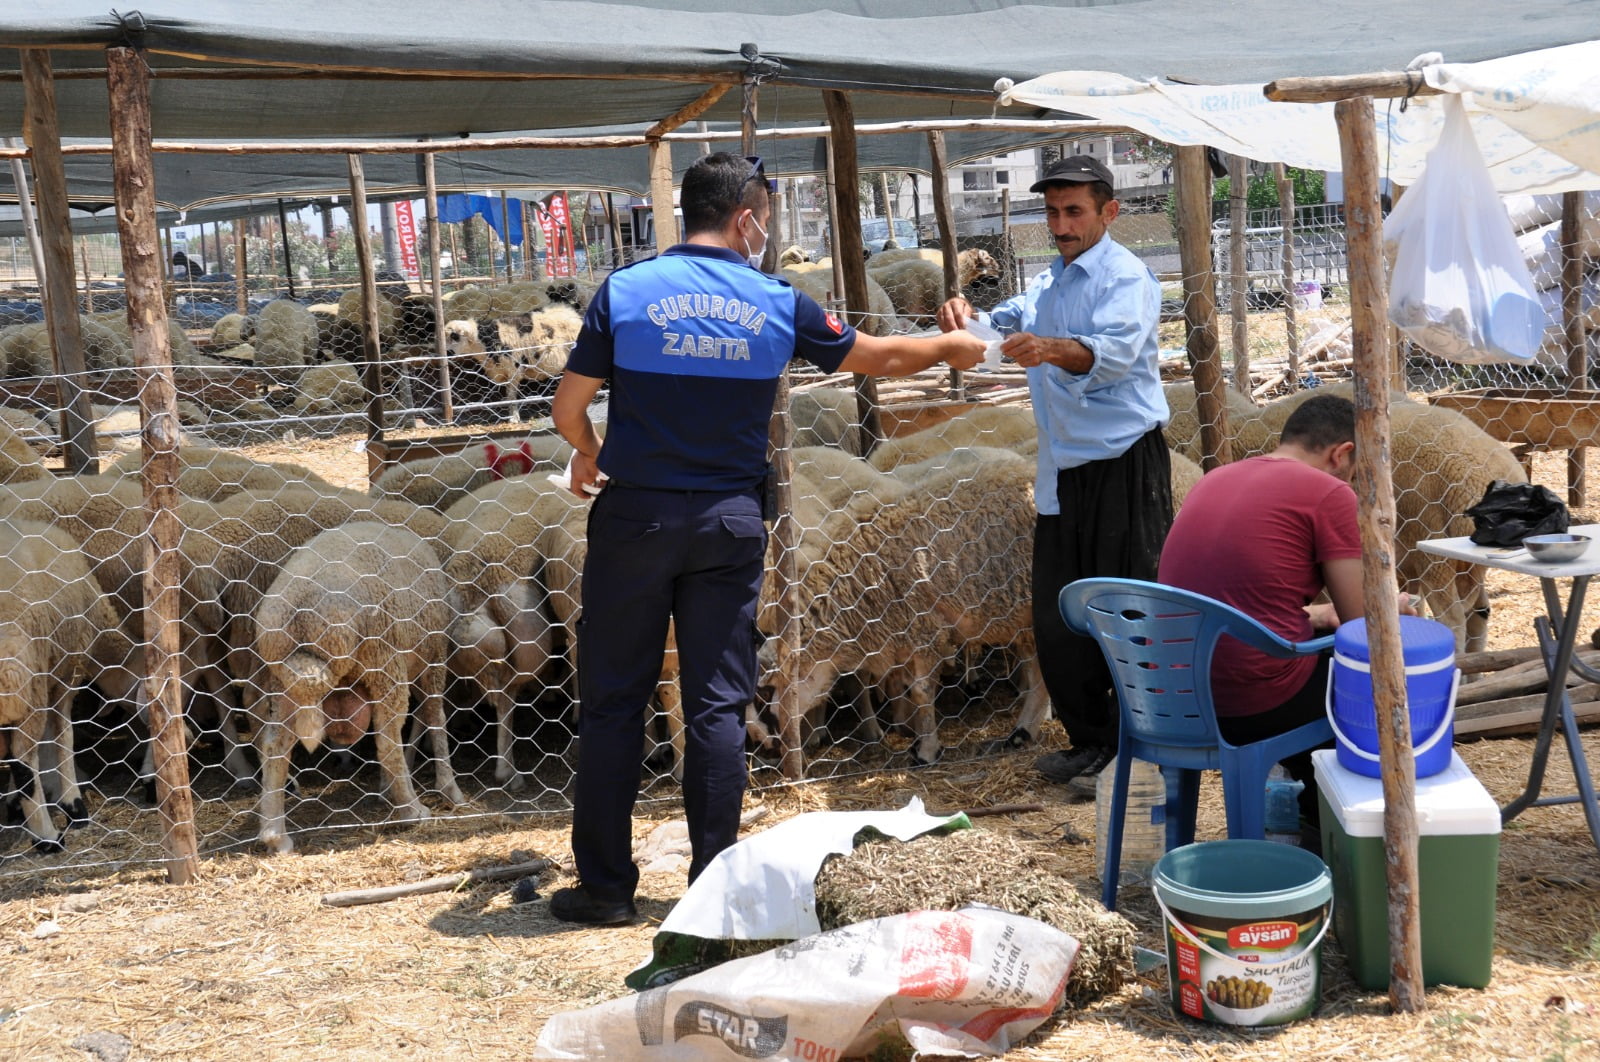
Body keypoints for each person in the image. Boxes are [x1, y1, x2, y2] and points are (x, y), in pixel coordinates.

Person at [548, 152, 986, 926]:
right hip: (728, 520)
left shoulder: (626, 291)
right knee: (717, 706)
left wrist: (588, 449)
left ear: (687, 213)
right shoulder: (776, 299)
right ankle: (714, 897)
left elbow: (568, 404)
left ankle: (608, 891)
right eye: (767, 222)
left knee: (615, 703)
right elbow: (873, 356)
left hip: (638, 517)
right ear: (746, 218)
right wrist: (948, 350)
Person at [936, 154, 1171, 793]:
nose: (1061, 224)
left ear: (1109, 212)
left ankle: (1140, 747)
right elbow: (1002, 327)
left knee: (1127, 607)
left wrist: (1050, 350)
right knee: (1061, 613)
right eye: (1052, 212)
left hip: (1123, 463)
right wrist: (967, 321)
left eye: (1074, 211)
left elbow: (1116, 354)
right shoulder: (1050, 282)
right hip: (1065, 467)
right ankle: (1090, 740)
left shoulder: (1126, 278)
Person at [1157, 394, 1411, 835]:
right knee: (1361, 682)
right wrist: (1393, 609)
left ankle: (1300, 809)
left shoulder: (1215, 478)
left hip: (1170, 697)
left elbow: (1231, 595)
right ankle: (1333, 828)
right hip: (1249, 702)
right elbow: (1361, 626)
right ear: (1343, 452)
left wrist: (1312, 616)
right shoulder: (1329, 493)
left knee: (1315, 660)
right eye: (1355, 468)